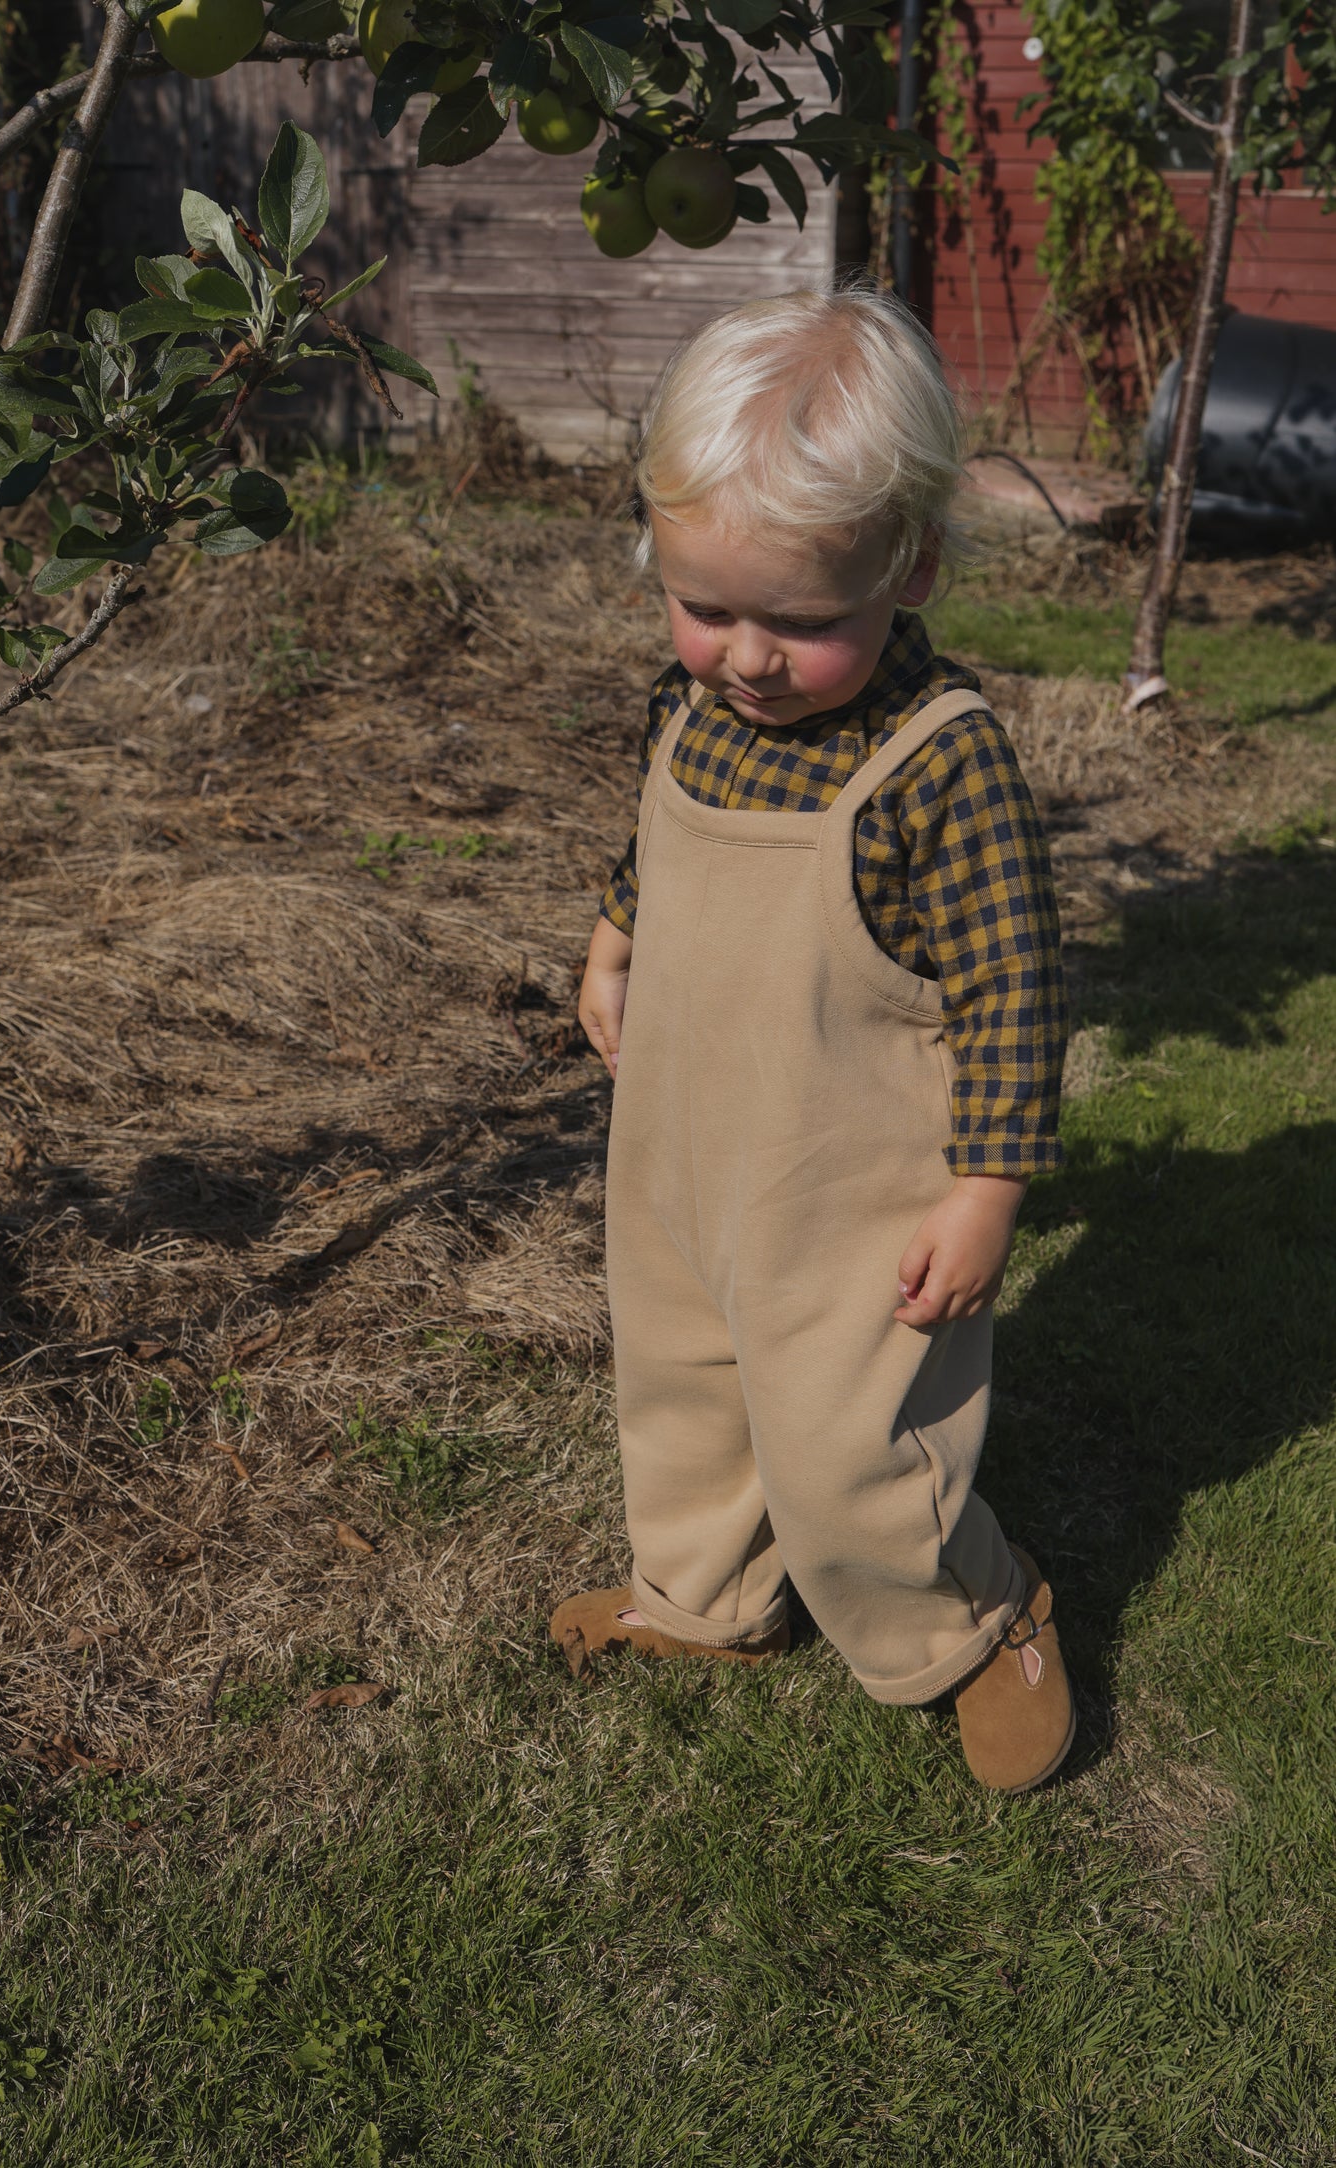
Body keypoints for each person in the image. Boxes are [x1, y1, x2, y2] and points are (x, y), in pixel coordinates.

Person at [552, 283, 1075, 1792]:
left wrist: (984, 1190)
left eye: (800, 621)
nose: (747, 658)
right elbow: (654, 839)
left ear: (905, 568)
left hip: (850, 1192)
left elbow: (1014, 993)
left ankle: (975, 1613)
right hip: (684, 1146)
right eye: (705, 606)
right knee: (682, 1384)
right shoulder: (692, 702)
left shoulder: (937, 760)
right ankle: (705, 1597)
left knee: (851, 1447)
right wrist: (614, 930)